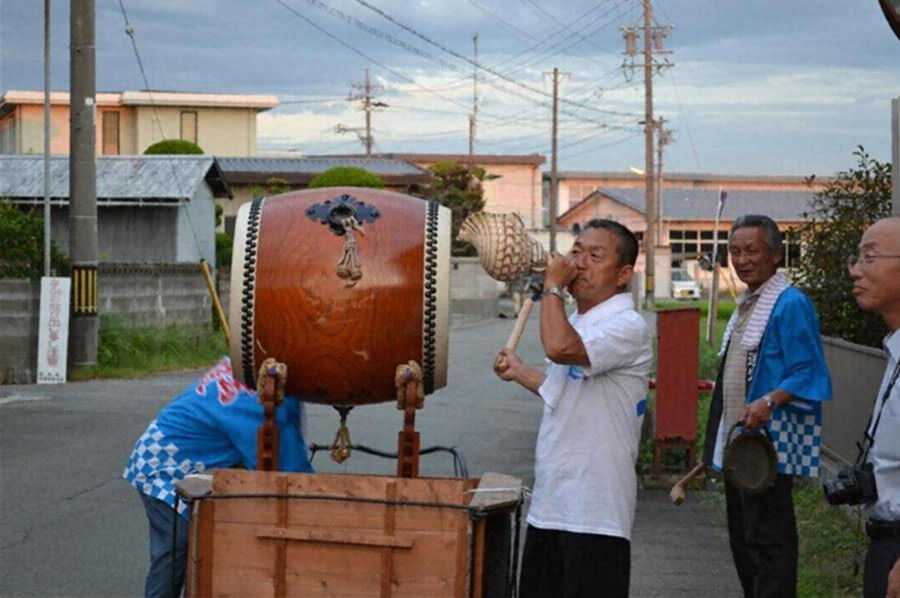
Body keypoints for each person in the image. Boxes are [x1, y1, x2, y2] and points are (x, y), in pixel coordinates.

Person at [493, 219, 651, 598]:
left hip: (596, 512)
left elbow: (560, 348)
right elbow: (564, 391)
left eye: (595, 256)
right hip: (552, 501)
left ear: (623, 275)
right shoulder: (579, 319)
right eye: (576, 251)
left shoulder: (628, 325)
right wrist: (520, 372)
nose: (579, 262)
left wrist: (552, 287)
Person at [701, 214, 832, 598]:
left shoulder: (790, 303)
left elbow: (808, 370)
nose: (742, 260)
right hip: (740, 444)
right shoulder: (749, 301)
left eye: (751, 251)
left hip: (768, 447)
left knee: (769, 544)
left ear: (776, 254)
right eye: (735, 251)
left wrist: (770, 400)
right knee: (744, 541)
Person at [122, 356, 314, 598]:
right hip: (164, 464)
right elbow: (287, 471)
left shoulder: (251, 366)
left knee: (198, 544)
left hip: (168, 452)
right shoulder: (257, 404)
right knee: (176, 545)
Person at [848, 216, 900, 598]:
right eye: (857, 258)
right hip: (885, 541)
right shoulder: (894, 350)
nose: (855, 270)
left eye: (869, 258)